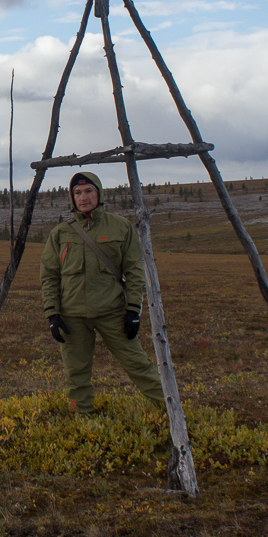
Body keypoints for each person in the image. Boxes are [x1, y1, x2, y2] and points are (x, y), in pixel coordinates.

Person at [40, 171, 166, 415]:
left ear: (99, 193)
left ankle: (174, 414)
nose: (83, 197)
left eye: (88, 191)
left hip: (113, 313)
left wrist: (133, 310)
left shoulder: (120, 227)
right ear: (72, 197)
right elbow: (49, 276)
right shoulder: (61, 233)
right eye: (77, 192)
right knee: (76, 374)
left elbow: (134, 271)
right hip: (72, 316)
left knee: (138, 365)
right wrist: (52, 314)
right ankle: (83, 422)